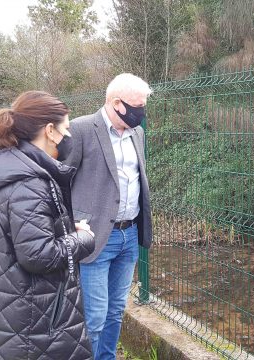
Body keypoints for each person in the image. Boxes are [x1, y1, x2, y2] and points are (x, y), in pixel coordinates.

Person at [0, 91, 96, 359]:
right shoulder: (29, 183)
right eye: (66, 128)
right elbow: (37, 255)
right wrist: (83, 239)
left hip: (17, 308)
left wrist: (65, 230)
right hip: (32, 321)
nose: (68, 137)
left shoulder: (16, 167)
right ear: (50, 131)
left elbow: (28, 236)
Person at [64, 73, 153, 360]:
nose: (142, 112)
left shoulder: (136, 132)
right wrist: (70, 224)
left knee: (116, 310)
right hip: (96, 237)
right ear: (116, 103)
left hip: (129, 236)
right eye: (137, 106)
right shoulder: (80, 130)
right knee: (94, 315)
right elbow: (60, 182)